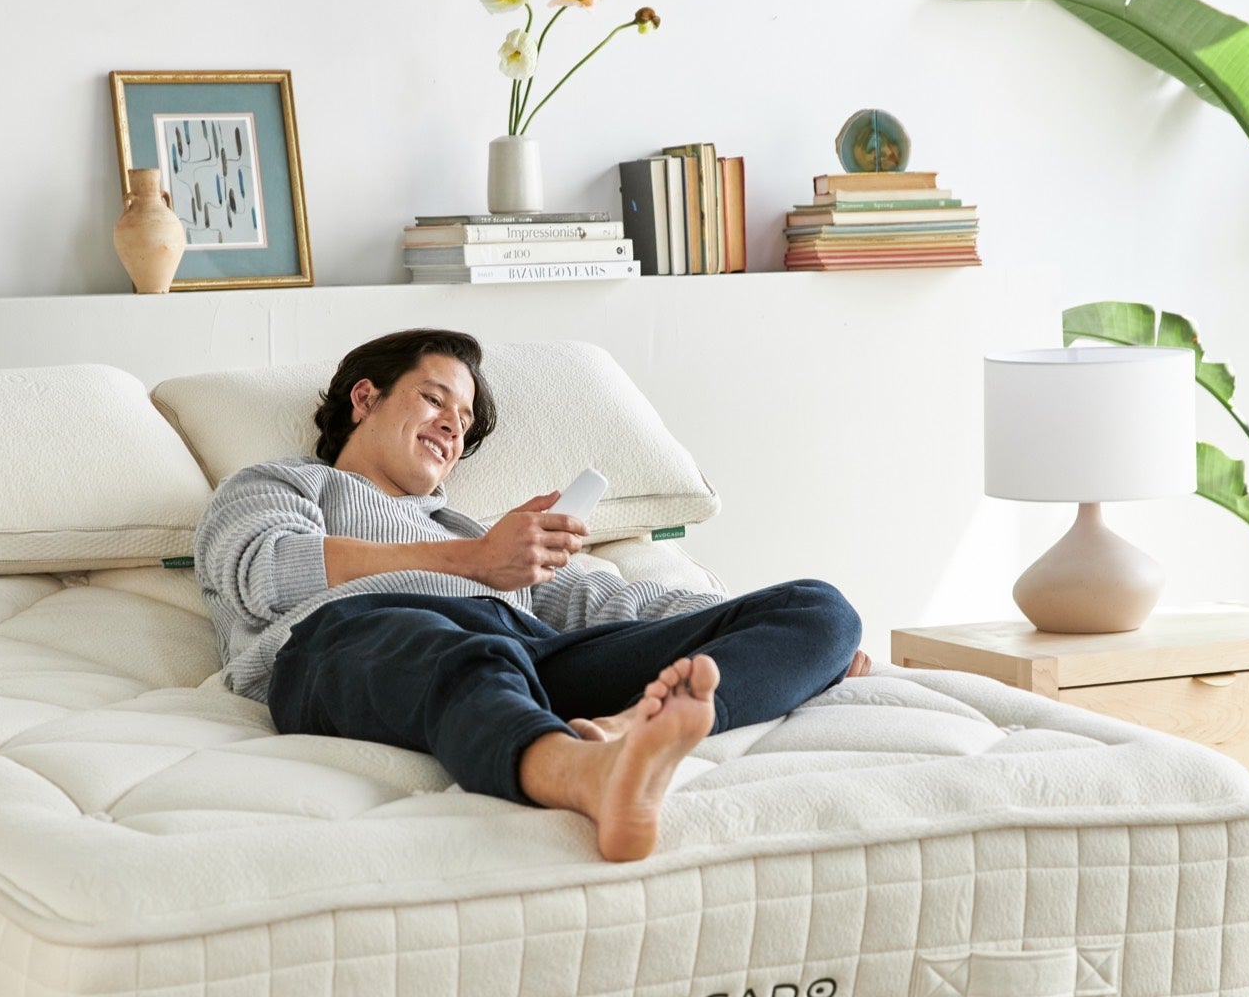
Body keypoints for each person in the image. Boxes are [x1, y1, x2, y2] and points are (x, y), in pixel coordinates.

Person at [195, 329, 869, 863]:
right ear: (365, 399)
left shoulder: (480, 533)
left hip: (529, 657)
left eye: (463, 420)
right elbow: (266, 572)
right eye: (434, 399)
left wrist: (798, 646)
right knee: (460, 650)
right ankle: (583, 775)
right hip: (350, 642)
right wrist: (477, 562)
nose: (452, 426)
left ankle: (624, 731)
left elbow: (617, 610)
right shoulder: (278, 485)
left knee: (819, 608)